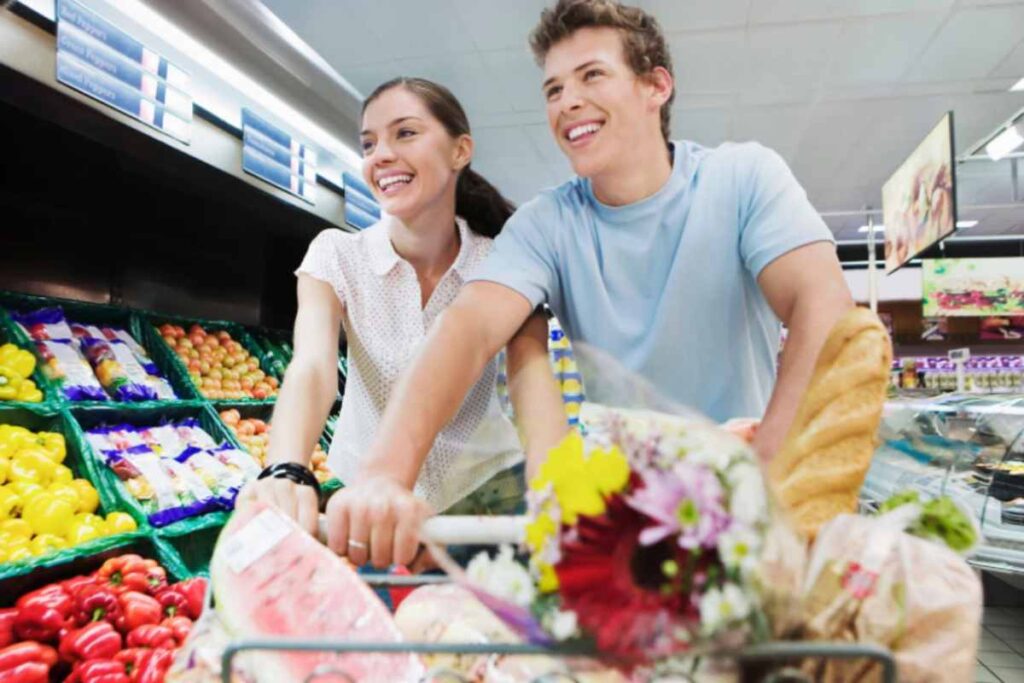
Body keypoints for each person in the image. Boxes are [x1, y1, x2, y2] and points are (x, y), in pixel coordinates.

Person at [323, 0, 855, 568]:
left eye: (591, 75)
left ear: (656, 86)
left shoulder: (743, 178)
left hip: (746, 509)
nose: (567, 101)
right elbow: (469, 330)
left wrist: (774, 459)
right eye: (553, 89)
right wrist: (384, 474)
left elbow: (821, 305)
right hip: (619, 527)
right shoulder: (547, 223)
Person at [238, 77, 568, 569]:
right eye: (369, 143)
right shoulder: (336, 256)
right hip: (372, 505)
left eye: (405, 133)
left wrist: (559, 484)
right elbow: (312, 368)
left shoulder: (504, 262)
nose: (381, 155)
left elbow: (528, 371)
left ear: (461, 151)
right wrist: (286, 468)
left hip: (488, 498)